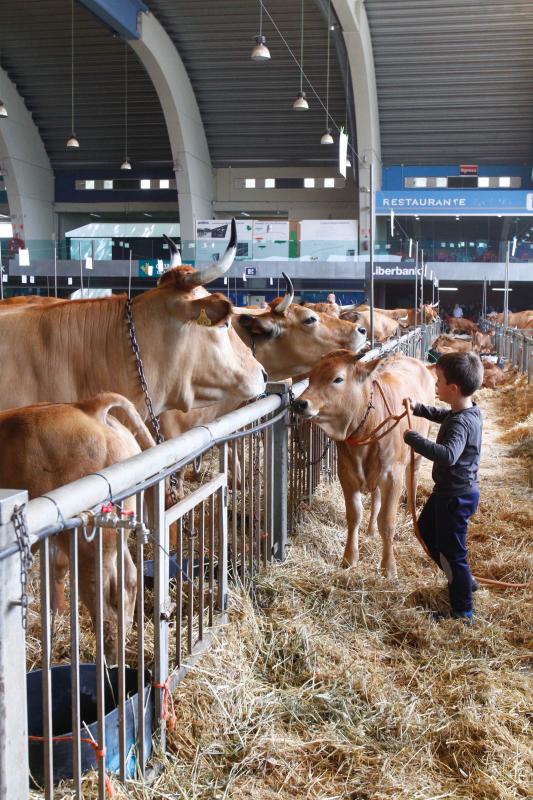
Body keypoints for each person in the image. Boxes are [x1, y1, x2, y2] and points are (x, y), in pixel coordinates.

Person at [403, 351, 484, 622]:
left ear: (453, 388)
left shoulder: (461, 423)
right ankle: (462, 578)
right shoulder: (468, 411)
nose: (434, 386)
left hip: (455, 497)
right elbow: (443, 416)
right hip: (449, 493)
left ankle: (462, 610)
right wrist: (418, 408)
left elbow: (448, 455)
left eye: (438, 381)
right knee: (425, 530)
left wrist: (415, 440)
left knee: (453, 553)